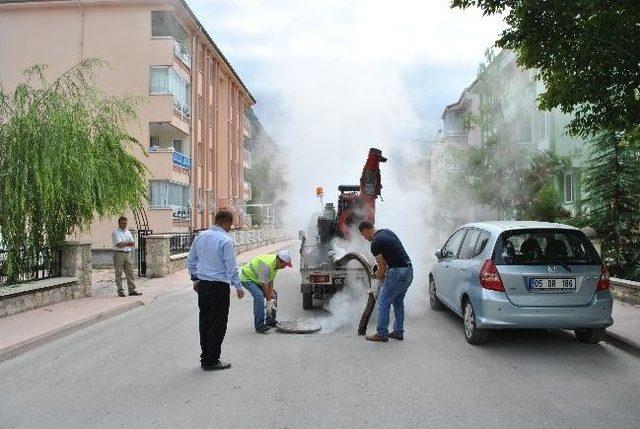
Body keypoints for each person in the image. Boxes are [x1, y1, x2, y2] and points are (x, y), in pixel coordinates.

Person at [187, 210, 245, 371]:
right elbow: (231, 267)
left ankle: (205, 357)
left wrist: (196, 280)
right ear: (226, 222)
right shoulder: (225, 240)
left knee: (204, 322)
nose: (231, 228)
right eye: (230, 225)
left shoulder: (200, 236)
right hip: (219, 287)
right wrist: (238, 286)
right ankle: (212, 360)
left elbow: (191, 260)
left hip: (203, 285)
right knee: (218, 323)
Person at [358, 221, 413, 342]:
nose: (364, 238)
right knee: (398, 302)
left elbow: (382, 268)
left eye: (363, 235)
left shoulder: (375, 243)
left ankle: (382, 333)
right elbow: (393, 254)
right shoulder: (388, 232)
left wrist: (376, 280)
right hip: (408, 271)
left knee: (383, 302)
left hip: (397, 273)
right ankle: (398, 332)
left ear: (366, 230)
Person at [239, 250, 293, 333]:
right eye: (284, 265)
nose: (284, 267)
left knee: (273, 294)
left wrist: (271, 295)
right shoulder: (266, 265)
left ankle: (270, 320)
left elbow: (270, 279)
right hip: (247, 277)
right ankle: (259, 326)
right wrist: (269, 300)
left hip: (258, 278)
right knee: (259, 296)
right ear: (279, 260)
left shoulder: (276, 264)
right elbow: (265, 285)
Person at [111, 216, 141, 297]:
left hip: (128, 253)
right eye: (123, 223)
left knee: (130, 272)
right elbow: (119, 244)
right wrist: (128, 243)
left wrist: (126, 243)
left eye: (125, 223)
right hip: (118, 254)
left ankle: (132, 290)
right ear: (119, 223)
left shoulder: (128, 232)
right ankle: (120, 291)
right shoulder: (115, 232)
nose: (124, 225)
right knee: (119, 273)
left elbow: (133, 243)